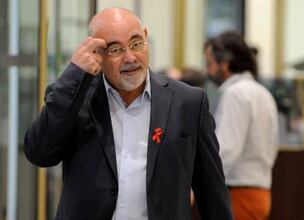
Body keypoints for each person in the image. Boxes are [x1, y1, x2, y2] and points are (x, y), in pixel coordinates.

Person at [24, 7, 233, 220]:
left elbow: (212, 193)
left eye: (136, 43)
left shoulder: (188, 102)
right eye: (115, 50)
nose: (130, 57)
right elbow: (39, 153)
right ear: (97, 53)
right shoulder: (75, 99)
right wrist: (74, 73)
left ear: (146, 36)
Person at [204, 31, 279, 219]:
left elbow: (226, 150)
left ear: (225, 63)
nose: (208, 71)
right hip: (259, 192)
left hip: (240, 193)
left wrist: (199, 183)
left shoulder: (235, 94)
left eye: (210, 63)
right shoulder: (261, 92)